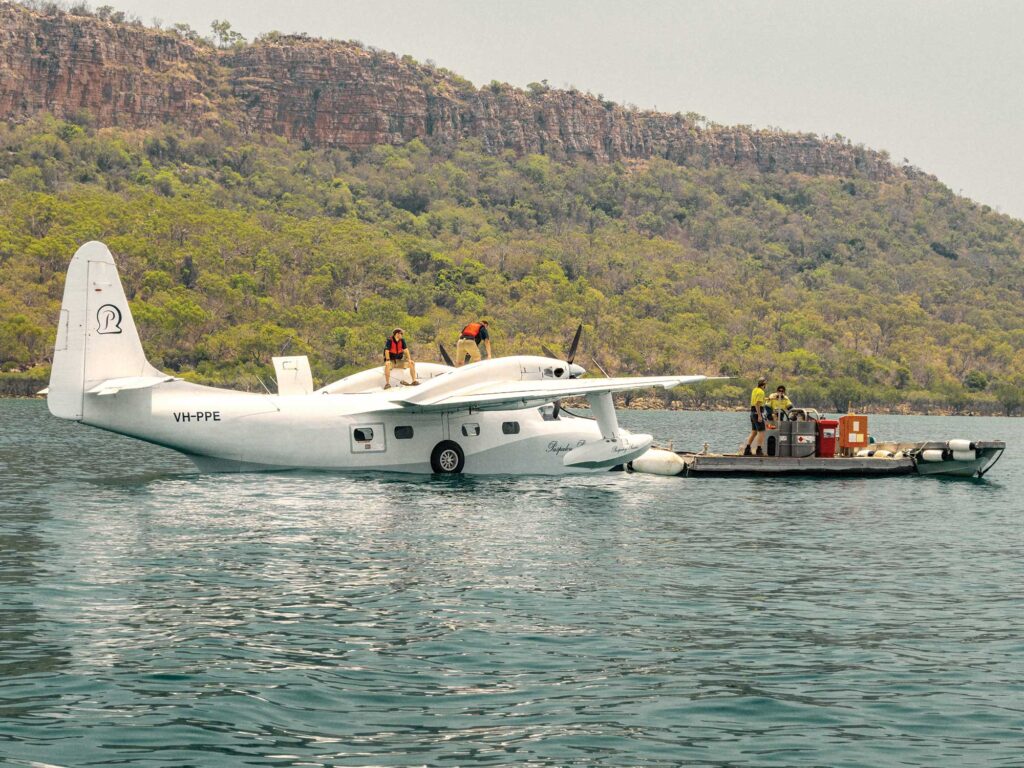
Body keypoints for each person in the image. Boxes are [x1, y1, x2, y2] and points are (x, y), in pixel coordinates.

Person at [742, 376, 768, 456]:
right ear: (764, 384)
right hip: (757, 413)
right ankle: (759, 450)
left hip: (752, 413)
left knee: (754, 432)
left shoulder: (755, 390)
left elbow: (756, 401)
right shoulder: (761, 392)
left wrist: (767, 399)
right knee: (762, 432)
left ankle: (747, 449)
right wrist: (760, 416)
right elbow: (757, 404)